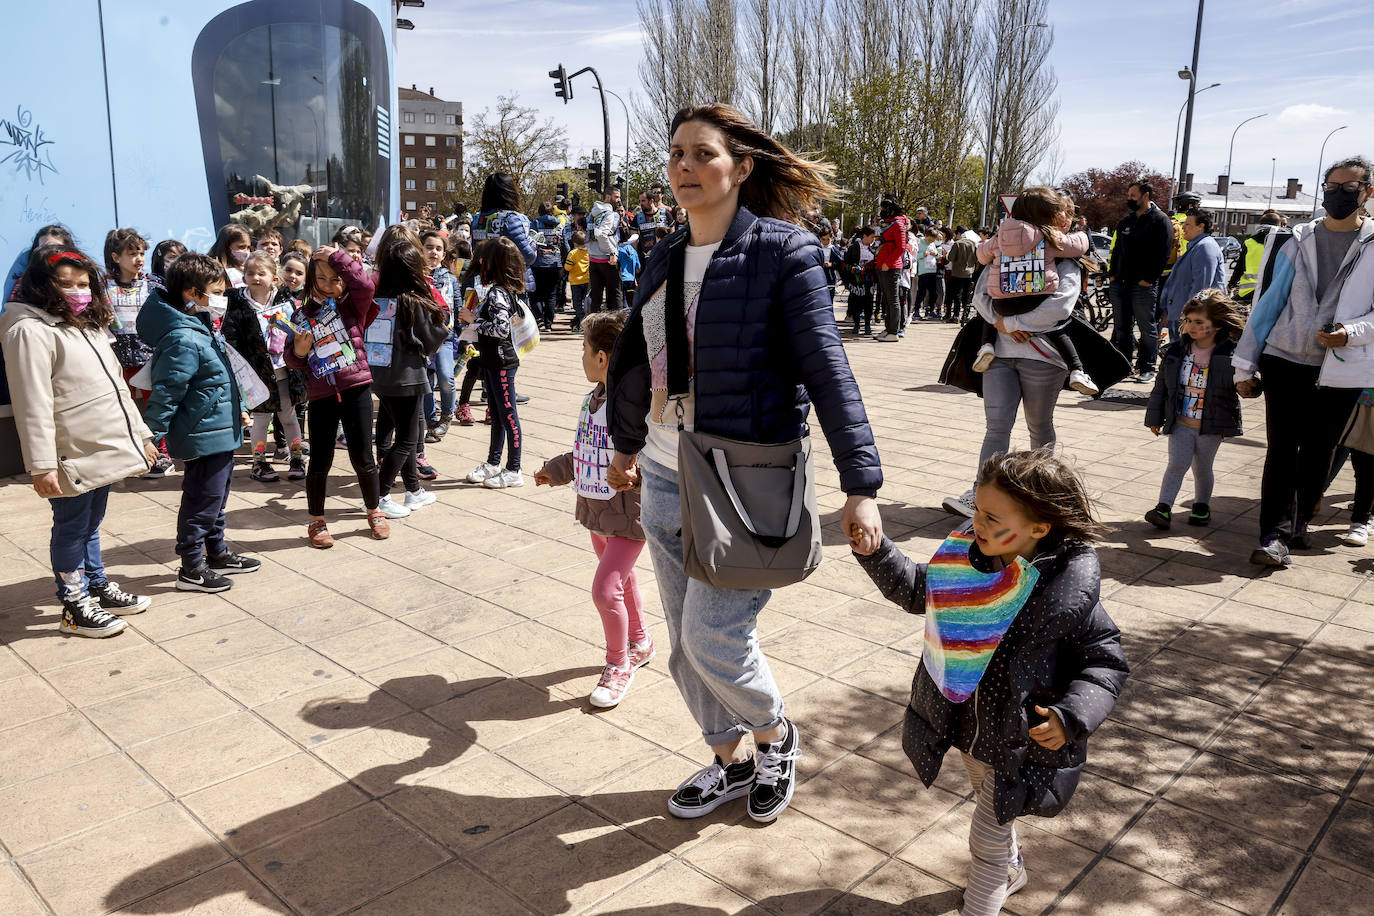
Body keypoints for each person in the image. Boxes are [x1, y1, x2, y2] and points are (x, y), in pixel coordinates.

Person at [605, 103, 883, 824]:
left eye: (703, 154)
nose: (685, 168)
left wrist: (861, 484)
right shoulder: (665, 254)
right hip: (667, 470)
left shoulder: (783, 252)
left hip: (745, 477)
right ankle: (728, 759)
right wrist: (626, 444)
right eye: (676, 155)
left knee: (712, 635)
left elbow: (827, 369)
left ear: (743, 166)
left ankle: (776, 736)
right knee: (680, 644)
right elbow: (637, 360)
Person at [853, 449, 1127, 916]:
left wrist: (1072, 715)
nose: (976, 522)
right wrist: (877, 552)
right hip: (964, 724)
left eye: (991, 516)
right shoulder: (970, 561)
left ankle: (981, 904)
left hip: (1016, 738)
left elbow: (1105, 662)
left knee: (987, 830)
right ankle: (1012, 867)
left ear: (1039, 529)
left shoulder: (1063, 592)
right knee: (988, 797)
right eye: (976, 508)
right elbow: (920, 589)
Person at [1, 247, 159, 637]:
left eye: (84, 283)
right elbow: (31, 402)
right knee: (71, 526)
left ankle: (96, 586)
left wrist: (142, 436)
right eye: (65, 284)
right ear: (42, 285)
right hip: (70, 451)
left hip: (103, 445)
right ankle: (74, 603)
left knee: (91, 523)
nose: (77, 291)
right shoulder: (28, 331)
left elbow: (118, 391)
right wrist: (41, 464)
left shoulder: (88, 325)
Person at [1234, 156, 1374, 567]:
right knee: (1281, 449)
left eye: (1349, 188)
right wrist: (1245, 365)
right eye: (1331, 187)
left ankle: (1300, 522)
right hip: (1285, 359)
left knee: (1319, 452)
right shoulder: (1295, 239)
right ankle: (1272, 535)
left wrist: (1352, 333)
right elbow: (1267, 304)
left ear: (1368, 193)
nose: (1338, 195)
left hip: (1342, 366)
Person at [534, 310, 654, 708]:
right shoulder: (594, 400)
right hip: (596, 513)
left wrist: (638, 479)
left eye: (584, 350)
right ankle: (640, 642)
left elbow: (659, 460)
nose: (581, 358)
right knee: (623, 582)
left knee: (605, 592)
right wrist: (555, 470)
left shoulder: (638, 407)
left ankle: (619, 665)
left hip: (628, 518)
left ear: (603, 357)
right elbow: (587, 450)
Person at [943, 227, 1086, 518]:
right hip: (997, 355)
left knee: (1039, 425)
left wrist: (1015, 323)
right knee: (996, 428)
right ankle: (980, 497)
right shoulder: (1002, 247)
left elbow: (1062, 305)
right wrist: (1002, 323)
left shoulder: (1064, 254)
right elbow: (981, 295)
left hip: (1045, 358)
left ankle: (1044, 493)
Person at [138, 253, 261, 592]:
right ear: (193, 293)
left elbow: (216, 380)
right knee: (201, 501)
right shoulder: (183, 337)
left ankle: (217, 553)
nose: (223, 298)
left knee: (216, 499)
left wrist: (239, 407)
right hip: (201, 432)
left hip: (218, 428)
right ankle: (191, 567)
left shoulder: (199, 327)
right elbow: (167, 392)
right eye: (217, 291)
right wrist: (150, 437)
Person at [284, 246, 388, 547]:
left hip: (356, 389)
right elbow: (293, 359)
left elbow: (365, 284)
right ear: (311, 280)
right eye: (322, 279)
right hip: (321, 396)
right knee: (320, 460)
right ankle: (316, 521)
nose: (330, 284)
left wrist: (338, 257)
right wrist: (299, 352)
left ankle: (374, 510)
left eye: (336, 279)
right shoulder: (301, 314)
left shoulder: (352, 307)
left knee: (363, 456)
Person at [971, 187, 1098, 397]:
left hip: (1002, 309)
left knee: (1002, 427)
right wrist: (1084, 235)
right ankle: (1077, 369)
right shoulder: (1048, 239)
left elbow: (981, 267)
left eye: (1068, 212)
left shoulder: (1000, 239)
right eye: (1059, 211)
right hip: (1036, 305)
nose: (1064, 217)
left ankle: (986, 345)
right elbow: (1061, 307)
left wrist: (1003, 323)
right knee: (1059, 330)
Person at [1144, 290, 1246, 530]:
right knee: (1177, 464)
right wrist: (1155, 417)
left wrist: (1250, 385)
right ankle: (1163, 508)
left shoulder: (1230, 354)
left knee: (1202, 467)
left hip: (1211, 425)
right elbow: (1161, 387)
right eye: (1188, 320)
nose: (1191, 326)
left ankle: (1201, 506)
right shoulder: (1176, 351)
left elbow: (1246, 381)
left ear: (1218, 326)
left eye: (1199, 322)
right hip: (1181, 422)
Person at [371, 237, 451, 518]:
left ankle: (413, 491)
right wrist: (441, 321)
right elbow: (433, 341)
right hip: (408, 376)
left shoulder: (377, 298)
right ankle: (378, 496)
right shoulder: (413, 301)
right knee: (407, 438)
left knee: (402, 433)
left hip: (380, 375)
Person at [222, 251, 307, 483]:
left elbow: (299, 328)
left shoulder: (285, 300)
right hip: (256, 374)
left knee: (289, 417)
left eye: (262, 273)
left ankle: (296, 457)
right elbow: (230, 338)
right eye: (250, 273)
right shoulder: (237, 303)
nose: (255, 278)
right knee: (261, 420)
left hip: (284, 371)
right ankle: (259, 462)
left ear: (274, 277)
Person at [461, 237, 527, 488]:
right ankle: (493, 463)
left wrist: (472, 321)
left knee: (508, 415)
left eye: (483, 258)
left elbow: (500, 329)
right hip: (493, 361)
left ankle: (514, 468)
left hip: (501, 362)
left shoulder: (499, 292)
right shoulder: (503, 290)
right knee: (499, 415)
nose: (479, 262)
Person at [1108, 180, 1174, 383]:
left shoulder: (1160, 220)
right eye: (1128, 195)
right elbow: (1117, 249)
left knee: (1147, 328)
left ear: (1146, 195)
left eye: (1133, 195)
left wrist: (1149, 279)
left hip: (1143, 285)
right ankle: (1124, 365)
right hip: (1120, 283)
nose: (1129, 198)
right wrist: (1112, 274)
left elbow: (1163, 253)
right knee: (1121, 328)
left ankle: (1147, 367)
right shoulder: (1126, 221)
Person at [1158, 209, 1226, 343]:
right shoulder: (1196, 247)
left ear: (1201, 227)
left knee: (1187, 359)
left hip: (1190, 320)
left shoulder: (1205, 248)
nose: (1183, 228)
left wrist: (1190, 318)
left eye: (1188, 224)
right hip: (1182, 316)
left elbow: (1202, 289)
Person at [420, 229, 458, 440]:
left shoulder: (450, 279)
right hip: (422, 338)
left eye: (438, 249)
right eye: (429, 247)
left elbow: (458, 307)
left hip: (444, 336)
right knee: (425, 381)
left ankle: (446, 416)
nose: (433, 252)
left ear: (444, 254)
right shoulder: (415, 277)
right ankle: (431, 419)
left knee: (446, 377)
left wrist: (461, 337)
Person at [873, 197, 910, 342]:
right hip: (883, 265)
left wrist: (888, 262)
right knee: (886, 300)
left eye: (885, 208)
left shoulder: (898, 225)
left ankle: (894, 331)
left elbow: (901, 247)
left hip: (891, 267)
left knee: (893, 300)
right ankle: (889, 328)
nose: (882, 211)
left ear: (892, 209)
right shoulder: (888, 224)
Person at [1230, 209, 1285, 303]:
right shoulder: (1281, 243)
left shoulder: (1249, 242)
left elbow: (1240, 266)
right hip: (1270, 292)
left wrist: (1232, 283)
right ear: (1278, 226)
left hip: (1247, 292)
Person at [587, 185, 623, 314]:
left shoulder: (592, 213)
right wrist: (612, 251)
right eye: (616, 197)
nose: (619, 200)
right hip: (608, 260)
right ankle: (616, 330)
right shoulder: (611, 215)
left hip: (593, 260)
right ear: (608, 197)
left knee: (596, 299)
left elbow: (588, 233)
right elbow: (601, 234)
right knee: (614, 297)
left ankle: (593, 330)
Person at [530, 201, 563, 331]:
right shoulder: (559, 224)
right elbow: (564, 243)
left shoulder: (535, 223)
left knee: (535, 293)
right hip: (555, 263)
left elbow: (530, 241)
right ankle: (548, 323)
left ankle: (538, 318)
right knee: (551, 294)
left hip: (538, 263)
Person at [844, 226, 877, 335]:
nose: (873, 239)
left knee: (868, 303)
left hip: (869, 280)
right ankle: (857, 324)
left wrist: (869, 267)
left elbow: (877, 264)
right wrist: (853, 269)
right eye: (871, 237)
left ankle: (867, 325)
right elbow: (846, 263)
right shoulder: (854, 247)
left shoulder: (874, 248)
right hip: (856, 281)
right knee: (856, 303)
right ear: (864, 236)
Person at [947, 228, 978, 324]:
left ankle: (956, 315)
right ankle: (965, 315)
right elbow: (976, 259)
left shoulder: (957, 244)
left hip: (957, 272)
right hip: (969, 273)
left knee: (957, 294)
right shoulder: (973, 244)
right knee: (966, 295)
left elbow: (951, 257)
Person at [565, 229, 591, 331]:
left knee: (577, 303)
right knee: (585, 302)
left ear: (574, 243)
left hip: (576, 282)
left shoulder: (572, 253)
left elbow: (568, 267)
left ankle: (582, 321)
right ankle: (583, 320)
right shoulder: (589, 251)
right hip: (587, 280)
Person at [618, 230, 642, 307]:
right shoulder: (633, 251)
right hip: (631, 280)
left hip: (621, 279)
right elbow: (638, 269)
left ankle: (625, 316)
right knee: (630, 299)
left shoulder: (617, 251)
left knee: (623, 299)